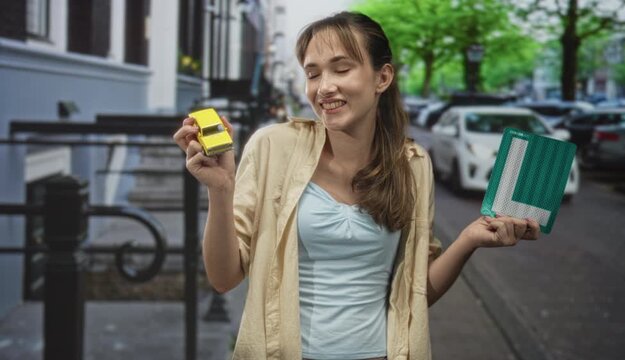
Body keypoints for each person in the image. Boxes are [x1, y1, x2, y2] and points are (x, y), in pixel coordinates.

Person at [173, 11, 540, 360]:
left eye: (342, 68)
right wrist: (221, 190)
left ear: (382, 78)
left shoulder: (412, 164)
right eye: (313, 74)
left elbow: (413, 295)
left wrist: (469, 240)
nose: (324, 87)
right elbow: (223, 278)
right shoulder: (273, 146)